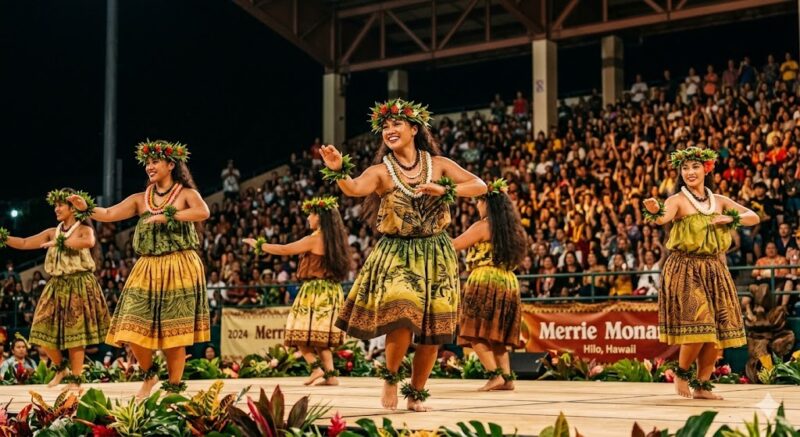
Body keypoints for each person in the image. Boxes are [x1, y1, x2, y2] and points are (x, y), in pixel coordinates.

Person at [321, 98, 486, 411]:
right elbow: (354, 188)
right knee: (401, 316)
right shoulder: (381, 171)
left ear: (414, 129)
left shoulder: (439, 165)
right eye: (385, 126)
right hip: (397, 251)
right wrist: (339, 170)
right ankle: (391, 377)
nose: (390, 130)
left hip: (436, 252)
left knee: (433, 331)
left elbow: (480, 186)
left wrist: (445, 190)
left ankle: (417, 391)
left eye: (396, 124)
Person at [68, 140, 210, 399]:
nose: (149, 167)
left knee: (173, 334)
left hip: (180, 265)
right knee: (130, 326)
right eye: (147, 163)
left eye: (155, 162)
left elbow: (203, 212)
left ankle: (174, 388)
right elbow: (109, 213)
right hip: (147, 266)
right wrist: (85, 207)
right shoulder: (139, 200)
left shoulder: (186, 194)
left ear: (170, 164)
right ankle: (150, 373)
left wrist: (169, 215)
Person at [643, 147, 759, 400]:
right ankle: (681, 374)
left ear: (706, 169)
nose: (689, 172)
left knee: (714, 334)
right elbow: (662, 219)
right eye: (685, 168)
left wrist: (729, 219)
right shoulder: (677, 200)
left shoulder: (718, 200)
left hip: (715, 269)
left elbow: (753, 216)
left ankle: (702, 385)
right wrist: (654, 210)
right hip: (685, 268)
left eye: (695, 166)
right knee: (699, 325)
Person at [0, 189, 110, 390]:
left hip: (79, 284)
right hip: (55, 285)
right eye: (55, 206)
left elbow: (88, 242)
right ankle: (61, 368)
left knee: (75, 336)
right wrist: (3, 238)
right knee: (40, 331)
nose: (56, 209)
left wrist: (59, 243)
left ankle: (76, 380)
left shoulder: (84, 228)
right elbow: (25, 243)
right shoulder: (53, 231)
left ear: (72, 208)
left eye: (60, 205)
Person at [245, 196, 350, 387]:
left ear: (320, 217)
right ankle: (331, 376)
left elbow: (285, 249)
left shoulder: (315, 239)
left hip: (315, 290)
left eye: (311, 214)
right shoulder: (336, 240)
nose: (308, 218)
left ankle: (316, 368)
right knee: (320, 338)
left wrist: (259, 245)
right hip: (332, 291)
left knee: (298, 333)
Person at [452, 179, 526, 391]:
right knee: (497, 335)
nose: (477, 205)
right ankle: (506, 378)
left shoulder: (483, 226)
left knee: (474, 332)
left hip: (484, 280)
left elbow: (454, 245)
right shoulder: (513, 230)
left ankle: (495, 376)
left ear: (487, 203)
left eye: (479, 201)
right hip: (508, 282)